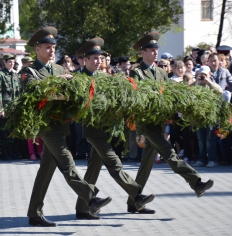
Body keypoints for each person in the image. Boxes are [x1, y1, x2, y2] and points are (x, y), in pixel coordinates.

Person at [22, 26, 112, 227]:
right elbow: (33, 95)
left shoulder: (60, 69)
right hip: (45, 125)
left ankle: (34, 213)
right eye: (47, 47)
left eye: (54, 46)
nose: (52, 50)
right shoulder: (29, 71)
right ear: (37, 49)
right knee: (67, 161)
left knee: (45, 171)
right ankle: (91, 198)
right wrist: (57, 83)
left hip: (60, 124)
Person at [128, 32, 214, 214]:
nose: (155, 53)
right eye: (151, 50)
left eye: (156, 49)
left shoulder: (161, 72)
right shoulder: (137, 72)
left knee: (145, 166)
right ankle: (196, 183)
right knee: (170, 154)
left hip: (158, 122)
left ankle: (133, 201)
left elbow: (166, 95)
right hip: (147, 124)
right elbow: (140, 95)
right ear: (143, 52)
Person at [75, 37, 155, 220]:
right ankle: (137, 195)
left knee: (93, 169)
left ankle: (82, 209)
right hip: (92, 130)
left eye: (100, 58)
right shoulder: (79, 79)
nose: (98, 61)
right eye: (94, 58)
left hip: (106, 128)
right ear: (84, 59)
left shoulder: (104, 77)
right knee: (114, 162)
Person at [191, 66, 223, 168]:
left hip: (211, 116)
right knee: (201, 139)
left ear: (210, 75)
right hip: (200, 117)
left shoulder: (212, 85)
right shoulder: (197, 85)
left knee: (210, 139)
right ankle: (202, 159)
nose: (203, 77)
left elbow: (220, 91)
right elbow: (188, 91)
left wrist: (208, 82)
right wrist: (196, 81)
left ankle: (212, 160)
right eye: (202, 75)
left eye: (205, 74)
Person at [0, 54, 21, 160]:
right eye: (9, 62)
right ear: (5, 62)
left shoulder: (15, 75)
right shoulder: (1, 75)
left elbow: (19, 92)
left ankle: (12, 151)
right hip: (6, 108)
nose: (12, 64)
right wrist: (1, 109)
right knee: (4, 132)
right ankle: (5, 153)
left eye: (13, 62)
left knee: (13, 131)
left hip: (14, 108)